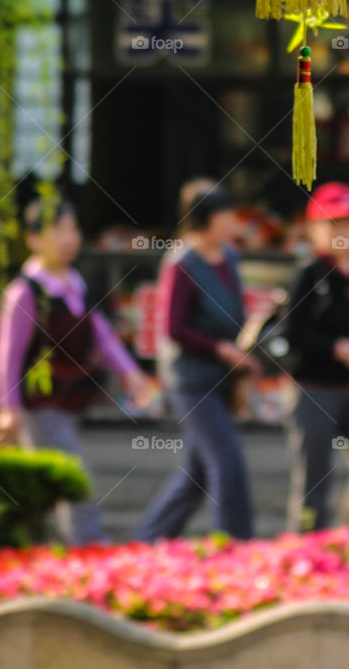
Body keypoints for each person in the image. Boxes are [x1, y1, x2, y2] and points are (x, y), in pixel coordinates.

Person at [0, 198, 152, 545]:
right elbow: (8, 354)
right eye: (57, 230)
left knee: (47, 483)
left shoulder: (75, 284)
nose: (68, 238)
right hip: (41, 403)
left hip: (68, 400)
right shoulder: (26, 291)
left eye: (72, 228)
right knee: (72, 477)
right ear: (33, 239)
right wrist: (8, 408)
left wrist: (130, 372)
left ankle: (33, 548)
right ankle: (91, 547)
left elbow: (102, 337)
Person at [134, 182, 259, 541]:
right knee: (226, 462)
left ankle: (145, 540)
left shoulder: (229, 257)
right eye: (226, 215)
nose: (234, 221)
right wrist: (220, 349)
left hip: (222, 376)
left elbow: (235, 310)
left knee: (195, 476)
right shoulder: (182, 262)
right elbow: (174, 328)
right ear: (206, 219)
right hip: (189, 381)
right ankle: (234, 545)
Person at [285, 182, 349, 532]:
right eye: (333, 223)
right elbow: (295, 333)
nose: (344, 232)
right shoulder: (309, 273)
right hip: (314, 390)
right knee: (315, 478)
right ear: (314, 229)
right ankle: (310, 548)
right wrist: (336, 348)